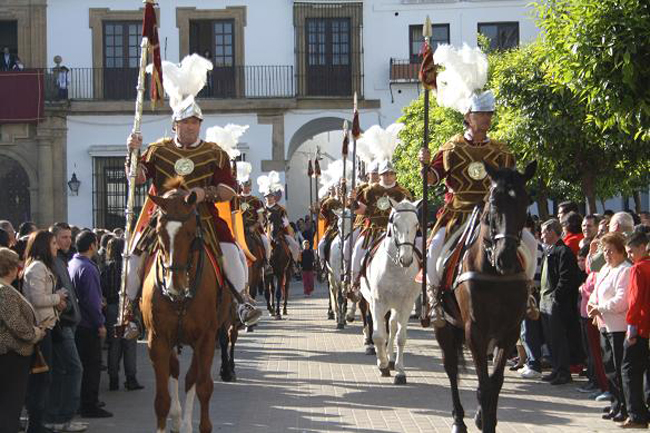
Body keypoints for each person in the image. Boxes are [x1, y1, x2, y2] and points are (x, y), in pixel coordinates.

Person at [124, 70, 261, 328]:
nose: (190, 126)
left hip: (204, 218)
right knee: (133, 256)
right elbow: (138, 178)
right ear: (175, 124)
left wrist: (203, 194)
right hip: (162, 220)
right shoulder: (158, 150)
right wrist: (132, 153)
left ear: (200, 124)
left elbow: (229, 190)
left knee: (233, 252)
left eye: (195, 122)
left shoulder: (214, 153)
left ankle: (242, 302)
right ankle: (129, 311)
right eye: (185, 122)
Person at [419, 90, 538, 326]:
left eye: (489, 114)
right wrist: (424, 164)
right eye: (481, 114)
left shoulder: (501, 151)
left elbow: (511, 181)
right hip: (457, 212)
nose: (486, 118)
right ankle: (434, 299)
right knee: (433, 248)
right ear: (468, 116)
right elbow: (432, 178)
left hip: (493, 213)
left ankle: (528, 294)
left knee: (531, 242)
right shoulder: (451, 147)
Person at [22, 230, 69, 433]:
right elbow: (37, 299)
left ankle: (38, 423)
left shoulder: (41, 267)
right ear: (43, 246)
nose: (56, 246)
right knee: (41, 379)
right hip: (41, 330)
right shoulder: (37, 268)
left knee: (47, 376)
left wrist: (56, 303)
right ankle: (35, 425)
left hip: (48, 326)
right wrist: (57, 297)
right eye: (53, 243)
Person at [0, 247, 46, 433]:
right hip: (11, 354)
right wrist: (36, 333)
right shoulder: (4, 292)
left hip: (11, 354)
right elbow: (17, 325)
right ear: (11, 268)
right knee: (10, 404)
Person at [45, 223, 86, 433]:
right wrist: (66, 304)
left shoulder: (62, 260)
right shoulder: (52, 262)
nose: (68, 241)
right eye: (62, 238)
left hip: (69, 323)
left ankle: (57, 418)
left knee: (61, 372)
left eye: (70, 237)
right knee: (74, 369)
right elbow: (53, 293)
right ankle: (63, 417)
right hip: (62, 325)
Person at [588, 232, 632, 422]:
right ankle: (615, 403)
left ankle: (624, 405)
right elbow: (596, 291)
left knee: (619, 367)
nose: (607, 254)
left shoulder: (625, 270)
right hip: (604, 324)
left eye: (611, 251)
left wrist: (599, 308)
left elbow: (621, 301)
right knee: (610, 369)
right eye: (605, 251)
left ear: (621, 251)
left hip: (618, 326)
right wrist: (593, 306)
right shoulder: (606, 268)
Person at [350, 160, 412, 293]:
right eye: (385, 174)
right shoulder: (370, 191)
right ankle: (354, 283)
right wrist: (353, 202)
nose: (388, 177)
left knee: (417, 250)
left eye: (391, 174)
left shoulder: (403, 193)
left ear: (395, 175)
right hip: (373, 230)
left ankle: (419, 284)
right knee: (356, 253)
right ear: (380, 175)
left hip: (398, 232)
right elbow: (361, 211)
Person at [69, 231, 112, 418]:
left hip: (79, 323)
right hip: (88, 324)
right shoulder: (88, 267)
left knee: (84, 366)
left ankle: (84, 401)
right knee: (92, 366)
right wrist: (100, 323)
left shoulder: (73, 263)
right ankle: (89, 404)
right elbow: (91, 300)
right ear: (93, 245)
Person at [539, 219, 581, 385]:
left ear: (551, 232)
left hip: (556, 302)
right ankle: (556, 368)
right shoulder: (549, 251)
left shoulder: (564, 251)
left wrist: (556, 297)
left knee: (559, 338)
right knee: (550, 338)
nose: (541, 235)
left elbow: (566, 278)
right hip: (544, 301)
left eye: (543, 232)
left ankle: (564, 371)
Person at [101, 237, 143, 392]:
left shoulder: (106, 268)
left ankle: (113, 379)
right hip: (129, 307)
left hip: (112, 307)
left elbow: (102, 289)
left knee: (114, 345)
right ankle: (131, 378)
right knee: (130, 344)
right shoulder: (129, 268)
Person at [620, 232, 650, 428]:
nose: (630, 256)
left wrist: (631, 327)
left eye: (631, 251)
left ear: (642, 247)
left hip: (639, 327)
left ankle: (636, 414)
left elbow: (635, 301)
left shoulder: (638, 269)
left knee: (629, 371)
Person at [263, 185, 301, 263]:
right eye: (267, 196)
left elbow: (286, 222)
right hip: (266, 232)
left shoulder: (280, 209)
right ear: (265, 198)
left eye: (271, 196)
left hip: (280, 232)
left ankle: (294, 263)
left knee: (295, 245)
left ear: (274, 197)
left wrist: (281, 226)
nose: (269, 198)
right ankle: (265, 264)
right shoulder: (262, 209)